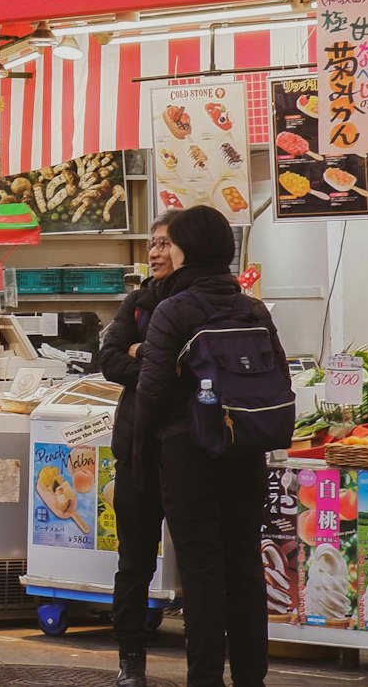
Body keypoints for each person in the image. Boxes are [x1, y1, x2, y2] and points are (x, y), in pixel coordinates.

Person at [136, 205, 289, 687]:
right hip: (246, 451)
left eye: (171, 243)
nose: (164, 251)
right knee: (244, 566)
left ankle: (204, 678)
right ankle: (251, 678)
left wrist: (149, 451)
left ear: (191, 249)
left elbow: (153, 393)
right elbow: (279, 377)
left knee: (201, 571)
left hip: (189, 455)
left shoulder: (174, 308)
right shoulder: (252, 307)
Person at [98, 212, 182, 687]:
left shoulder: (198, 303)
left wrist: (140, 353)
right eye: (152, 243)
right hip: (135, 446)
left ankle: (207, 652)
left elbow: (189, 367)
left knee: (198, 557)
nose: (154, 252)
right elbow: (108, 358)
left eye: (165, 243)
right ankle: (131, 658)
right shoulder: (137, 302)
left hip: (191, 449)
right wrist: (152, 359)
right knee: (134, 560)